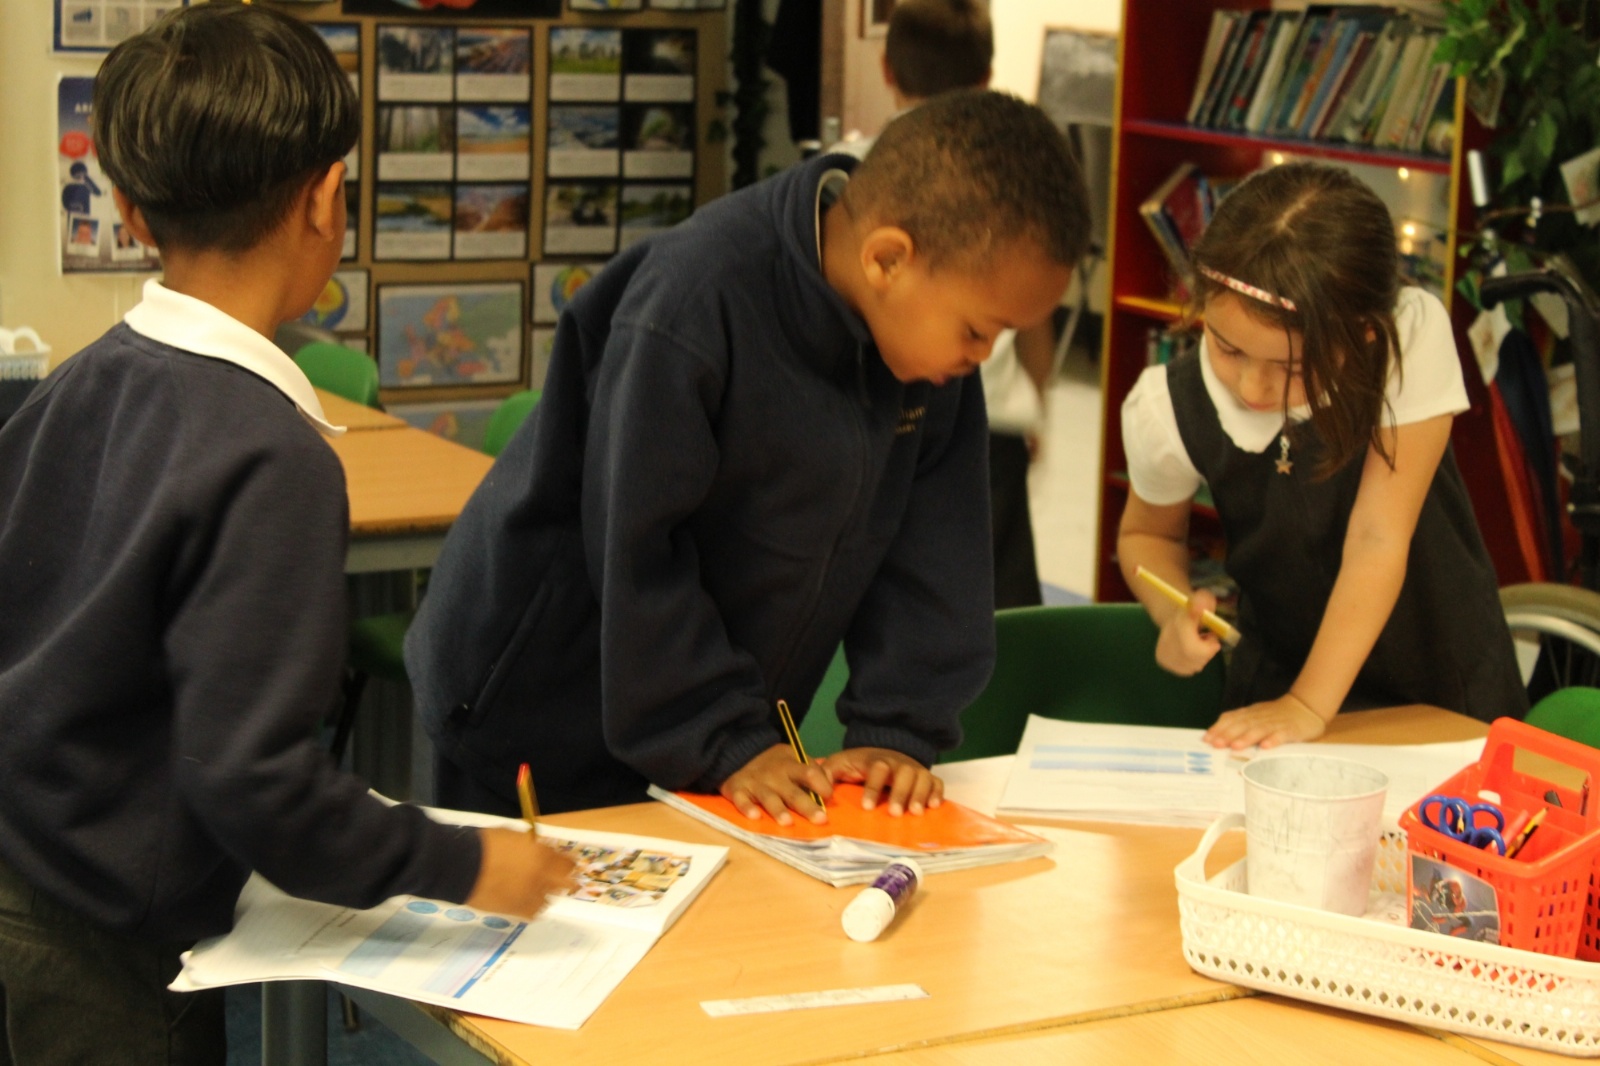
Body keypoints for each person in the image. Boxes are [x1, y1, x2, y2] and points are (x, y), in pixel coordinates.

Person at [0, 7, 573, 1063]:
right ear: (326, 197)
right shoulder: (271, 455)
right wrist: (465, 865)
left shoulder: (80, 379)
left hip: (30, 864)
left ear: (128, 209)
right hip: (111, 952)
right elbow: (254, 780)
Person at [406, 89, 1091, 825]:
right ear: (888, 259)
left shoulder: (928, 354)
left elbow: (934, 558)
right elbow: (637, 550)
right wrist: (723, 735)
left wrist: (895, 730)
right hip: (537, 709)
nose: (984, 356)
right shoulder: (694, 302)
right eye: (979, 331)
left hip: (708, 731)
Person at [1117, 161, 1527, 750]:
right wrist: (1172, 613)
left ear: (1363, 335)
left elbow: (1377, 539)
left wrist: (1309, 704)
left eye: (1290, 368)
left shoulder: (1406, 340)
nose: (1253, 388)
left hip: (1440, 679)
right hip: (1278, 681)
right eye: (1227, 349)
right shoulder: (1166, 404)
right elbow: (1146, 536)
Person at [830, 0, 1057, 608]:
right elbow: (1034, 321)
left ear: (886, 68)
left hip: (874, 418)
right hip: (989, 423)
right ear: (986, 78)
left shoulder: (852, 169)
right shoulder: (1010, 183)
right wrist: (1036, 401)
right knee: (996, 604)